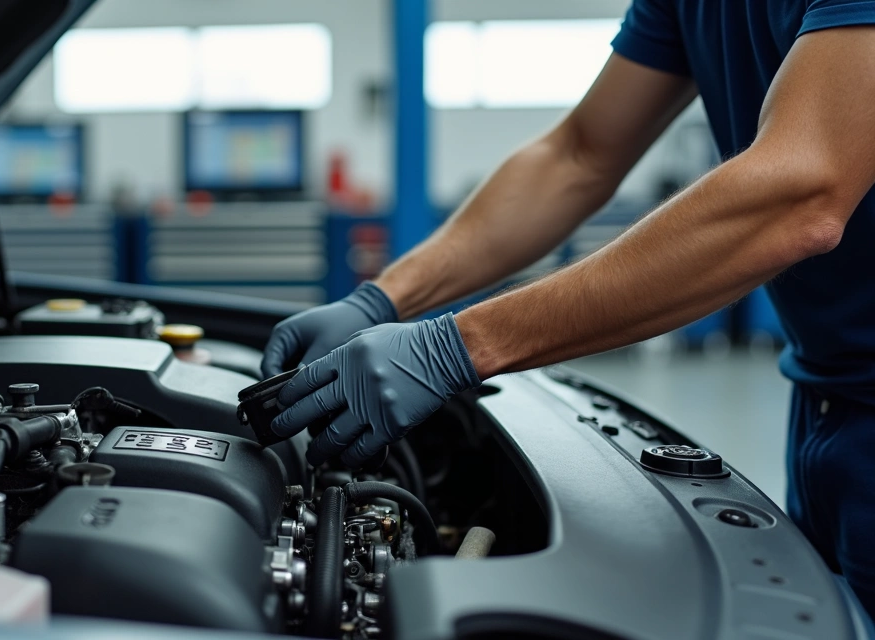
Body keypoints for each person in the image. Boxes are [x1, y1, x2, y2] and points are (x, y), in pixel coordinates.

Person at [263, 0, 875, 614]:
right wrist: (384, 298)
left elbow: (804, 186)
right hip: (828, 401)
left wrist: (454, 346)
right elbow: (578, 155)